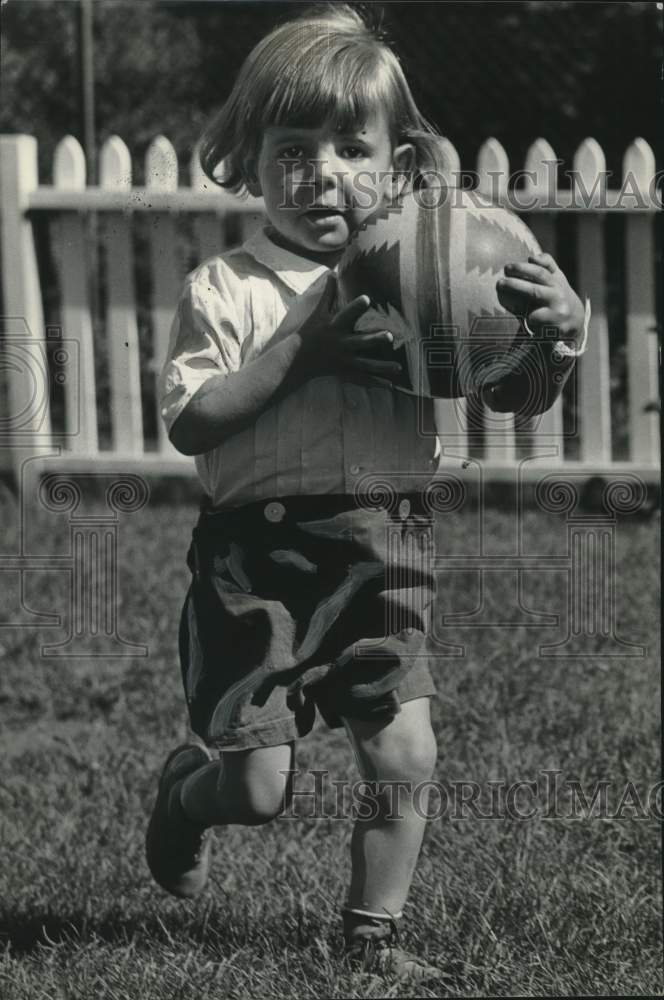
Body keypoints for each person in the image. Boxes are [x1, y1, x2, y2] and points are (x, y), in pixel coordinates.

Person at [146, 3, 588, 982]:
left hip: (383, 550)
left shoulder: (435, 272)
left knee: (404, 753)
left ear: (400, 165)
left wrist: (555, 332)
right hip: (252, 560)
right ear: (244, 161)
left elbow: (513, 393)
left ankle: (369, 936)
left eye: (352, 147)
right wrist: (302, 349)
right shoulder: (229, 288)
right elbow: (192, 419)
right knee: (258, 789)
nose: (324, 174)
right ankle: (187, 794)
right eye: (292, 148)